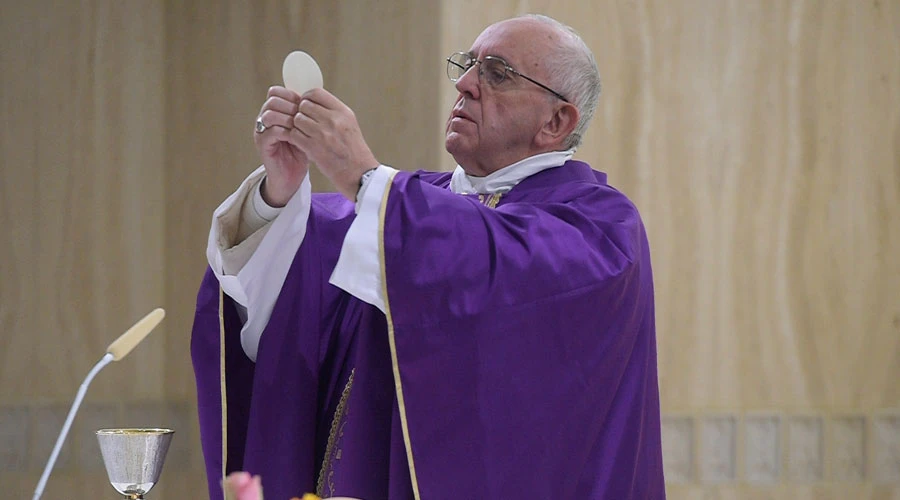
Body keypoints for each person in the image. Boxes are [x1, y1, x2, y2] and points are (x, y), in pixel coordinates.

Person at [192, 13, 665, 500]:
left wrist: (363, 175)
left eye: (496, 72)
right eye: (467, 64)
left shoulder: (600, 227)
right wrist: (279, 192)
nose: (464, 84)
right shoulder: (403, 206)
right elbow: (302, 274)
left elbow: (498, 272)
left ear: (556, 121)